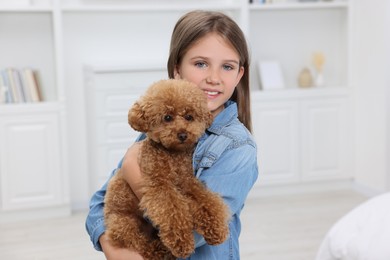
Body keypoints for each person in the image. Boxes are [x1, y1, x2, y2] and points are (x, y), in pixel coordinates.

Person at [85, 10, 259, 260]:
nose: (213, 78)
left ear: (239, 74)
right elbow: (99, 204)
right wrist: (116, 250)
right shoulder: (157, 127)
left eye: (227, 67)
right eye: (200, 64)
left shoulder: (238, 148)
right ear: (177, 70)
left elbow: (193, 234)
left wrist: (133, 167)